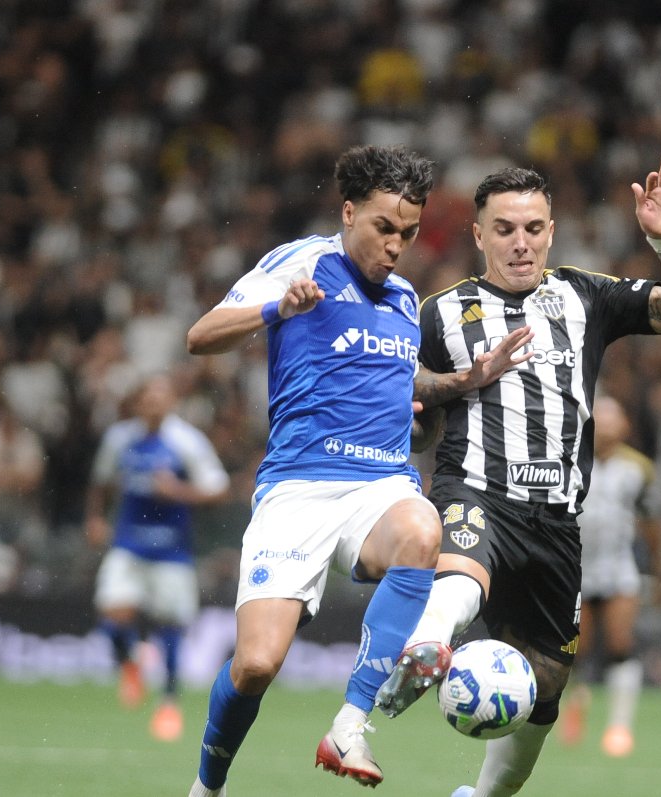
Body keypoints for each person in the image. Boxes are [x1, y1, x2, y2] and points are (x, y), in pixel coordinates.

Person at [181, 145, 519, 796]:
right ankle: (208, 786)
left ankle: (351, 720)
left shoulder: (401, 297)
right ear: (348, 212)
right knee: (254, 665)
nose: (395, 246)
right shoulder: (302, 263)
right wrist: (280, 308)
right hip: (299, 488)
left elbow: (398, 380)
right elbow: (202, 335)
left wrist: (463, 379)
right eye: (383, 228)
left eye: (409, 234)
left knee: (423, 527)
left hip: (379, 486)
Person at [375, 158, 661, 797]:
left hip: (556, 521)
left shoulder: (585, 295)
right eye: (503, 228)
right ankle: (425, 647)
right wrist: (449, 389)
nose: (520, 242)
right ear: (478, 236)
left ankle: (481, 796)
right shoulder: (440, 313)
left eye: (532, 227)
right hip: (475, 489)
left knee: (544, 691)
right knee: (465, 570)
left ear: (552, 232)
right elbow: (405, 396)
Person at [85, 373, 231, 742]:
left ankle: (168, 702)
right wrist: (95, 518)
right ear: (138, 403)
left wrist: (178, 491)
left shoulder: (186, 442)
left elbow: (218, 490)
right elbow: (100, 481)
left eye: (161, 397)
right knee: (113, 611)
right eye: (147, 397)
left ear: (171, 403)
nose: (154, 403)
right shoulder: (120, 438)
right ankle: (130, 661)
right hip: (128, 544)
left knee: (171, 626)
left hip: (172, 550)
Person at [557, 395, 661, 758]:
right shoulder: (569, 460)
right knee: (577, 651)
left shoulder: (638, 469)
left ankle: (620, 726)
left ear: (625, 426)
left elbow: (652, 526)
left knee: (621, 645)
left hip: (619, 567)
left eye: (613, 418)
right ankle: (577, 703)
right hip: (577, 568)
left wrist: (660, 572)